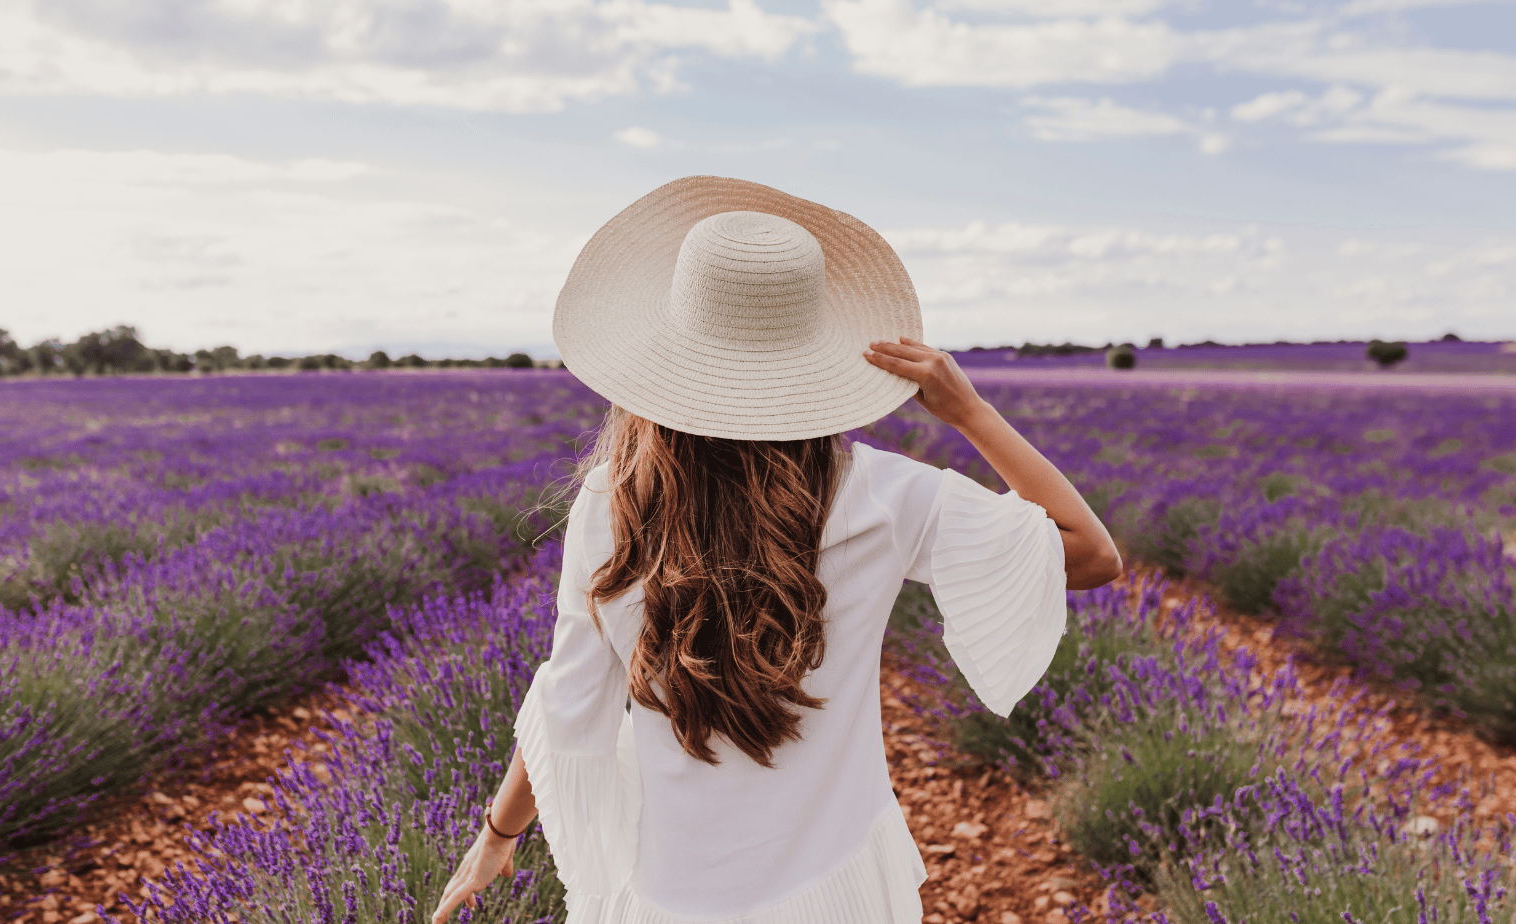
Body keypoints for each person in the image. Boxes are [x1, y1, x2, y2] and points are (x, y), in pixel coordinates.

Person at [431, 176, 1120, 924]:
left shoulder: (613, 501)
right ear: (814, 355)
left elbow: (570, 708)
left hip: (671, 894)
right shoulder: (887, 496)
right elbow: (1090, 554)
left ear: (663, 352)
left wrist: (497, 838)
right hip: (835, 886)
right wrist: (972, 412)